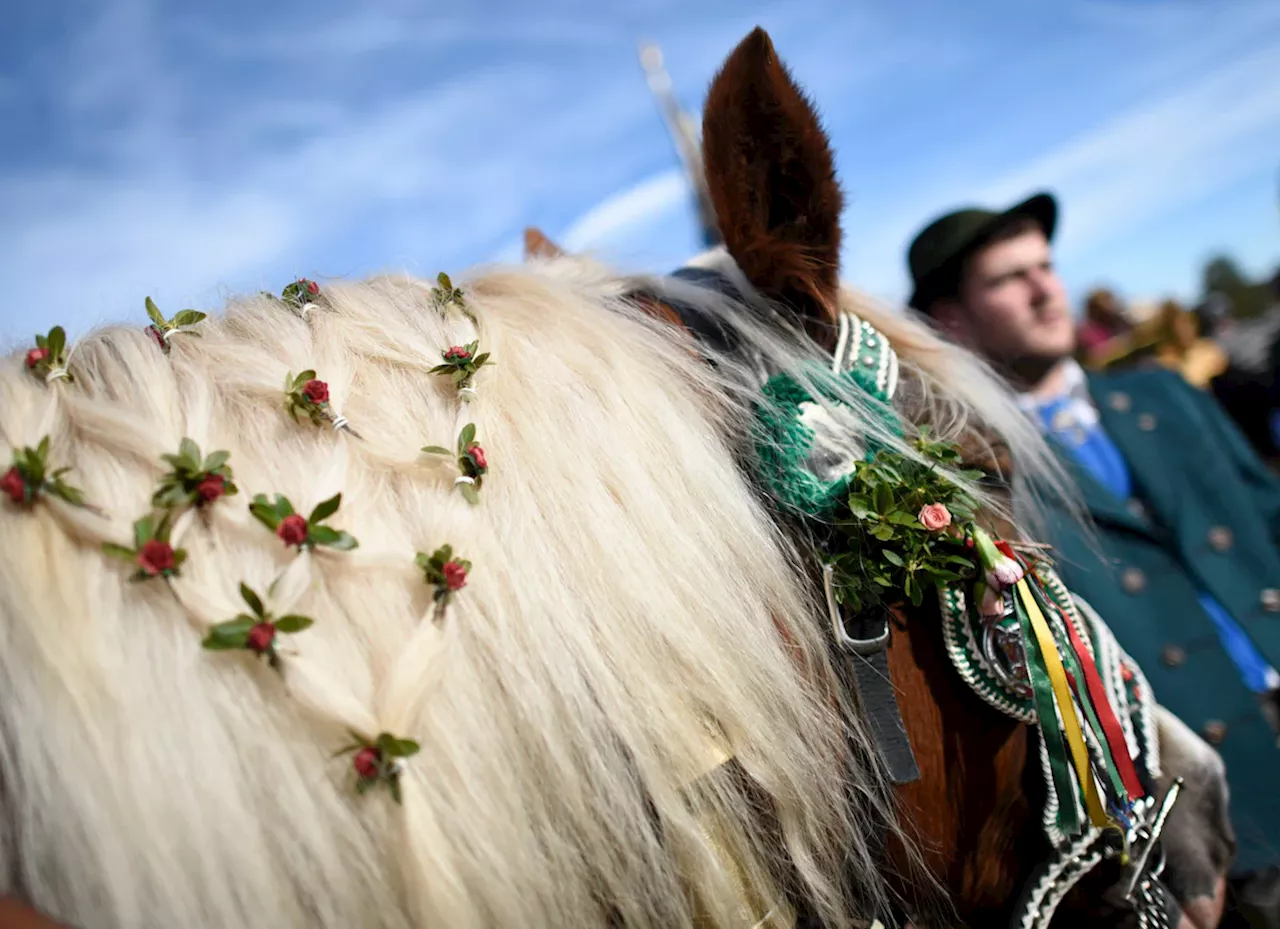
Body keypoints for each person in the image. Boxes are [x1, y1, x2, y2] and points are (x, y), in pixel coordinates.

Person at [904, 191, 1280, 928]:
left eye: (1046, 266)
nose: (1046, 288)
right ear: (950, 318)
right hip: (1221, 800)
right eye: (1009, 278)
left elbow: (1267, 513)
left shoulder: (1162, 392)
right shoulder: (972, 480)